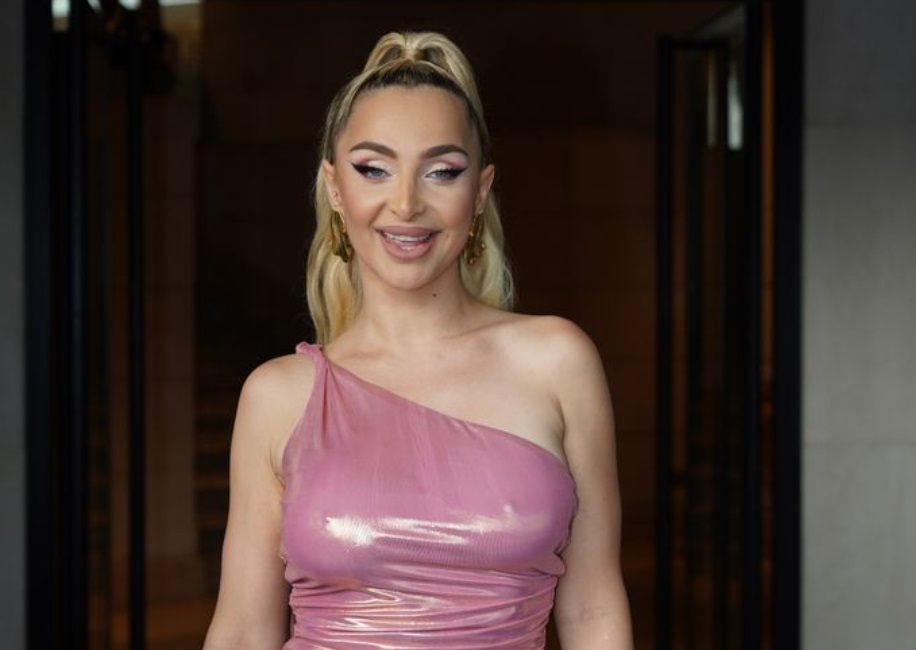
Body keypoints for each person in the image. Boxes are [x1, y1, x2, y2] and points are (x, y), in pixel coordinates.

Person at [203, 31, 633, 650]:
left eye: (441, 171)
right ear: (335, 187)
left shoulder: (557, 362)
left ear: (479, 191)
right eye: (374, 169)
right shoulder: (277, 396)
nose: (405, 203)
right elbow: (244, 630)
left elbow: (594, 610)